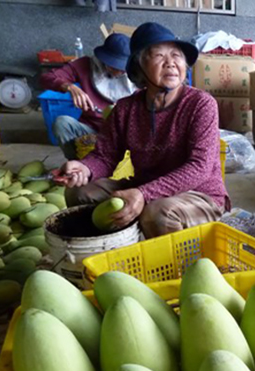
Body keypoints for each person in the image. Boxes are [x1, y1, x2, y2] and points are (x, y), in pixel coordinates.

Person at [56, 22, 229, 239]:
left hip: (198, 194)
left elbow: (200, 167)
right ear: (139, 67)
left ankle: (170, 268)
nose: (171, 63)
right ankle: (109, 250)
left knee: (156, 213)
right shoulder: (125, 109)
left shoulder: (201, 104)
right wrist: (84, 168)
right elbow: (105, 156)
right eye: (158, 56)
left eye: (177, 55)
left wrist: (143, 194)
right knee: (79, 193)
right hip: (146, 186)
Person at [40, 33, 136, 159]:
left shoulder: (138, 74)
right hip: (91, 130)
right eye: (114, 66)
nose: (119, 71)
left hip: (122, 134)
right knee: (62, 123)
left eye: (122, 67)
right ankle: (77, 166)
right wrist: (69, 87)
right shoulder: (85, 65)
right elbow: (46, 78)